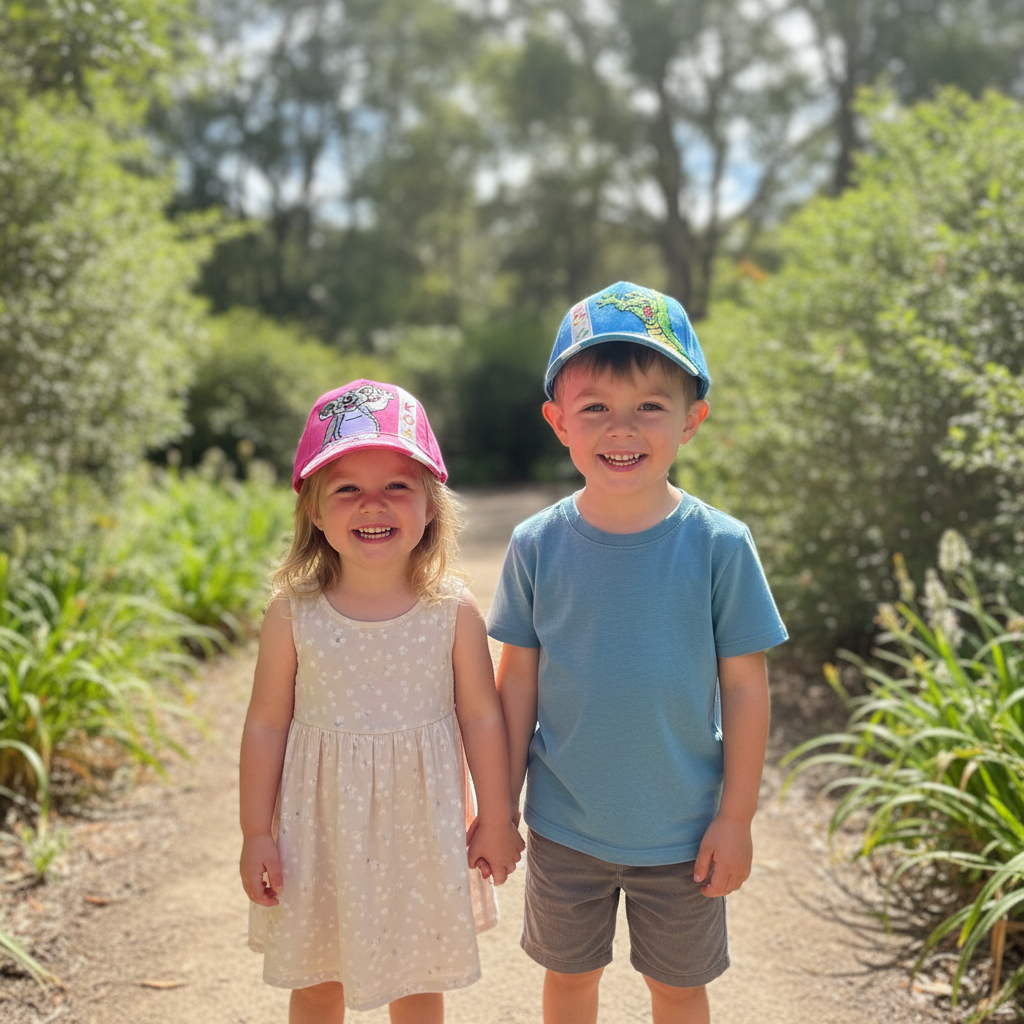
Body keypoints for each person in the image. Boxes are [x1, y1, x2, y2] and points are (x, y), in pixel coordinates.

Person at [488, 283, 789, 1024]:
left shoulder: (720, 546)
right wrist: (499, 805)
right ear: (559, 422)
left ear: (692, 420)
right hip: (565, 828)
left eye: (650, 406)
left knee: (680, 990)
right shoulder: (536, 546)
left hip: (684, 832)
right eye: (595, 408)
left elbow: (747, 689)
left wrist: (737, 817)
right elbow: (517, 683)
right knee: (567, 981)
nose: (621, 428)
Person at [240, 379, 524, 1024]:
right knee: (317, 980)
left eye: (397, 485)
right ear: (313, 510)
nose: (374, 504)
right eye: (346, 489)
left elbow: (482, 716)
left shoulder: (451, 609)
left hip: (421, 830)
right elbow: (264, 725)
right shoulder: (293, 613)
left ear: (431, 506)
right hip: (319, 832)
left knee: (418, 981)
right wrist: (256, 831)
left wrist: (498, 814)